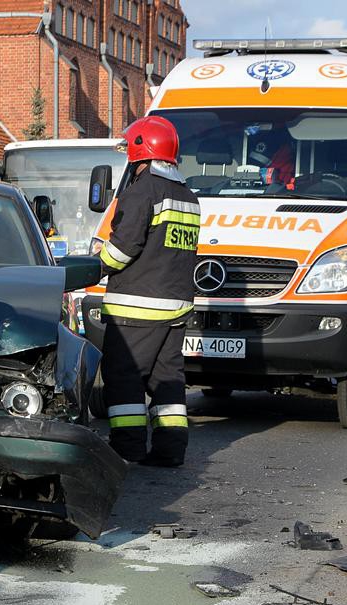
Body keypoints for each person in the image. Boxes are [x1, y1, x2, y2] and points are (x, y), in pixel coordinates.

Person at [97, 115, 201, 467]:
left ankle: (127, 448)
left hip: (136, 308)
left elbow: (123, 249)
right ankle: (171, 450)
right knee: (167, 378)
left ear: (140, 150)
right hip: (175, 307)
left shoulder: (141, 192)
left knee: (124, 376)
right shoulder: (187, 196)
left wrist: (96, 263)